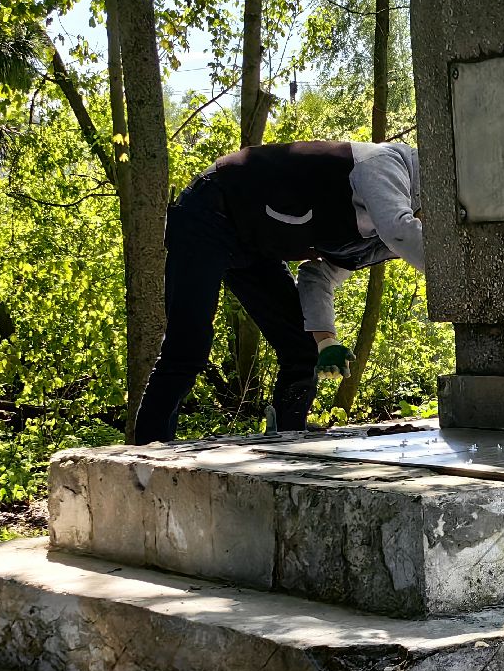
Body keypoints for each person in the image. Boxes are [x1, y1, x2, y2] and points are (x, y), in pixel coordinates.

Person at [132, 140, 423, 444]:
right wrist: (455, 275)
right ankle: (148, 450)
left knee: (301, 345)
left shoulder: (379, 235)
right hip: (209, 213)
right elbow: (402, 231)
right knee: (187, 347)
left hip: (256, 246)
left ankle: (289, 431)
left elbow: (317, 274)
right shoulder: (385, 165)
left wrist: (326, 341)